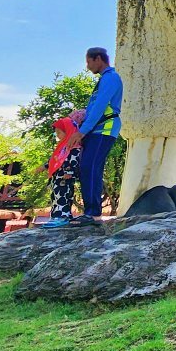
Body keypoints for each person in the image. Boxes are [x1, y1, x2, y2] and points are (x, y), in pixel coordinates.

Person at [64, 46, 123, 225]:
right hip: (95, 129)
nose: (88, 66)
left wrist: (82, 132)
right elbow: (94, 107)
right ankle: (90, 211)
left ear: (98, 59)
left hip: (104, 129)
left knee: (90, 167)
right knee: (86, 168)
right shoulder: (104, 79)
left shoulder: (112, 78)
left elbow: (100, 107)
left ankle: (93, 214)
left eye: (89, 62)